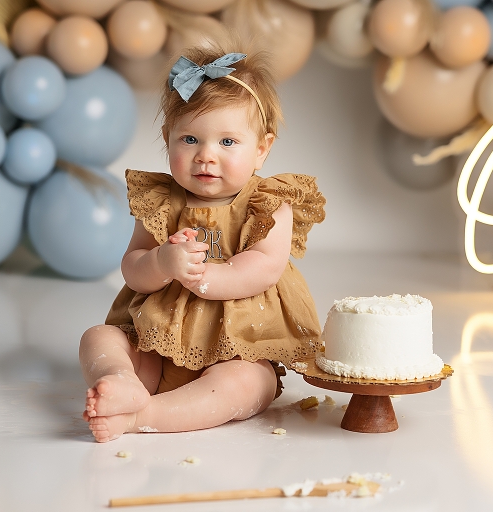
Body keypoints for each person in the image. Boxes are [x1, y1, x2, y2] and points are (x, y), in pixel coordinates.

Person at [80, 41, 326, 442]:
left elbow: (264, 267)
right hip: (156, 347)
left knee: (249, 384)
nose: (206, 156)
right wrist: (161, 262)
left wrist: (205, 276)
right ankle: (122, 379)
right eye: (190, 140)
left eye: (227, 142)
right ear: (168, 137)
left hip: (237, 349)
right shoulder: (161, 202)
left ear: (262, 149)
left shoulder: (268, 205)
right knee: (99, 338)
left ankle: (145, 414)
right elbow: (133, 266)